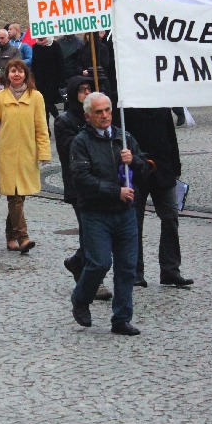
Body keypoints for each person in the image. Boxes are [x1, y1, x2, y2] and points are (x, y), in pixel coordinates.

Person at [69, 92, 149, 336]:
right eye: (99, 112)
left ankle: (122, 318)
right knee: (100, 263)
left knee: (127, 267)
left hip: (125, 213)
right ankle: (81, 298)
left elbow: (144, 169)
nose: (105, 115)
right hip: (96, 212)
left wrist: (134, 161)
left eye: (108, 110)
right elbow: (81, 179)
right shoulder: (81, 142)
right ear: (88, 116)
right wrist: (115, 192)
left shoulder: (124, 137)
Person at [0, 58, 50, 253]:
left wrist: (43, 152)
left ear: (25, 74)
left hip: (27, 153)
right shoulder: (0, 97)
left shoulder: (36, 97)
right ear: (7, 75)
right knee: (14, 197)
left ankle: (10, 236)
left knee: (19, 197)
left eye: (20, 71)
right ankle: (23, 237)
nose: (17, 74)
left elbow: (41, 127)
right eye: (13, 71)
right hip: (6, 154)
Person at [122, 106, 194, 288]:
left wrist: (175, 167)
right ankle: (135, 272)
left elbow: (171, 137)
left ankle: (171, 270)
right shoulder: (127, 105)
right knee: (134, 222)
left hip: (163, 169)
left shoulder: (161, 105)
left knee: (170, 218)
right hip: (136, 172)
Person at [57, 76, 112, 302]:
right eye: (82, 90)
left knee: (97, 232)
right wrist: (90, 128)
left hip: (102, 183)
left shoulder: (101, 117)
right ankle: (94, 280)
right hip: (78, 186)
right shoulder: (64, 121)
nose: (86, 93)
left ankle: (78, 261)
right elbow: (71, 150)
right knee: (90, 232)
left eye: (89, 89)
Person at [30, 36, 64, 120]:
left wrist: (60, 80)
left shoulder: (55, 45)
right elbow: (34, 63)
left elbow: (60, 63)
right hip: (40, 80)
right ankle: (47, 124)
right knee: (43, 103)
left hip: (53, 80)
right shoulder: (36, 47)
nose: (41, 39)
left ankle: (58, 118)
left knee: (48, 102)